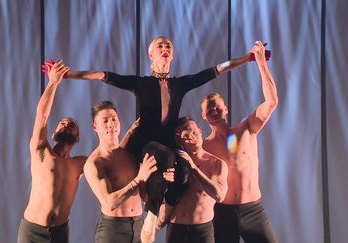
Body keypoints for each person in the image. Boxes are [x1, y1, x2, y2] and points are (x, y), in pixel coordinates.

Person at [42, 36, 252, 241]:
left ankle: (164, 212)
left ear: (171, 55)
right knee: (163, 156)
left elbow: (219, 68)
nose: (164, 47)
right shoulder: (141, 84)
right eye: (159, 45)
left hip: (168, 142)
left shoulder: (180, 84)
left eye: (168, 45)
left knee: (184, 171)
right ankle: (151, 217)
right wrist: (67, 74)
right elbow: (101, 75)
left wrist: (248, 58)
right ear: (151, 55)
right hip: (145, 142)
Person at [201, 41, 278, 243]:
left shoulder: (246, 129)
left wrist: (261, 63)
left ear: (225, 109)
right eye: (209, 109)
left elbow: (271, 102)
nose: (214, 111)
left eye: (217, 107)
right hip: (222, 213)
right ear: (203, 116)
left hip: (253, 210)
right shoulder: (202, 147)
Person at [84, 101, 174, 243]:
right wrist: (138, 179)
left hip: (139, 225)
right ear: (95, 127)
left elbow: (144, 196)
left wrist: (162, 180)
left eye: (114, 119)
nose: (111, 124)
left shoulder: (130, 156)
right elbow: (109, 203)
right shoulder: (94, 163)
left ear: (119, 122)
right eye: (105, 121)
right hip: (113, 230)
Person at [17, 61, 87, 243]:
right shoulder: (41, 150)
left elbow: (107, 157)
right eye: (62, 123)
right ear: (54, 134)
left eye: (71, 125)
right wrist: (53, 82)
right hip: (32, 231)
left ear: (77, 138)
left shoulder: (80, 164)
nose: (66, 125)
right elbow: (41, 116)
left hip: (59, 233)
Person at [164, 116, 228, 243]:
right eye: (186, 135)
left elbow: (220, 195)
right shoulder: (172, 162)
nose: (192, 137)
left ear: (200, 132)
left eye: (194, 132)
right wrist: (165, 180)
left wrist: (194, 169)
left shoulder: (216, 164)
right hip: (176, 228)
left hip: (202, 231)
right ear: (178, 139)